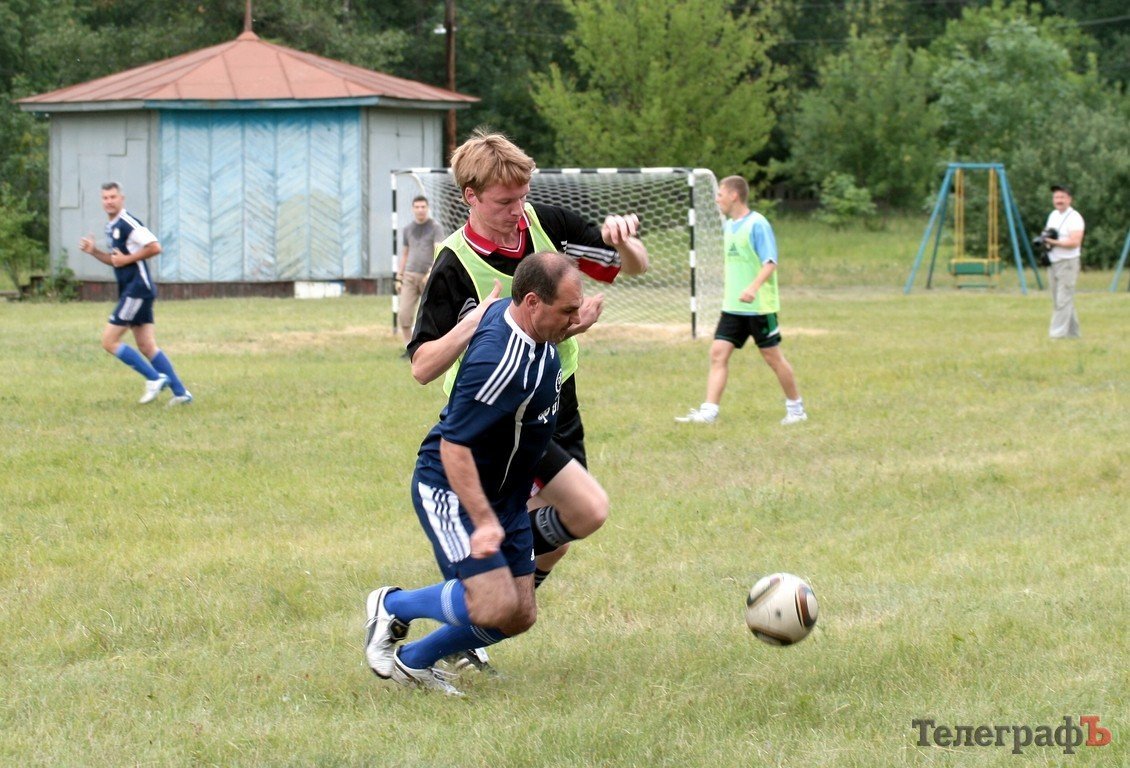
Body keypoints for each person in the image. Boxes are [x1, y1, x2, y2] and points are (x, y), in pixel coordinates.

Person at [405, 129, 648, 671]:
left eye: (522, 196)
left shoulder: (547, 226)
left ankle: (474, 614)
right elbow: (422, 366)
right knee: (574, 515)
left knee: (559, 537)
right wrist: (470, 328)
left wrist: (624, 239)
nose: (518, 210)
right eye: (504, 201)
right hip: (496, 419)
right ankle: (454, 611)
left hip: (554, 401)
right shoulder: (453, 265)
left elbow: (631, 266)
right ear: (470, 197)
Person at [365, 252, 583, 695]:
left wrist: (575, 321)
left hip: (505, 494)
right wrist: (483, 521)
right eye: (568, 311)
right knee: (490, 603)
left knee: (520, 613)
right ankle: (393, 605)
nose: (574, 319)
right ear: (533, 303)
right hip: (451, 489)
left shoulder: (532, 325)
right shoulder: (496, 362)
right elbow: (454, 446)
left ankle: (413, 661)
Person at [675, 175, 806, 425]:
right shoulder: (729, 226)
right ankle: (709, 411)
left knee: (772, 357)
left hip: (758, 307)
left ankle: (796, 409)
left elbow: (770, 262)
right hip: (733, 307)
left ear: (734, 195)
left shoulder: (758, 224)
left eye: (720, 194)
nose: (717, 199)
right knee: (717, 353)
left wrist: (753, 288)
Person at [78, 182, 192, 406]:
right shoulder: (111, 227)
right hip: (134, 290)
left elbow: (155, 246)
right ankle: (181, 393)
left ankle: (154, 378)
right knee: (147, 346)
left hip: (137, 289)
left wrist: (127, 259)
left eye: (113, 197)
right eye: (105, 198)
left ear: (122, 198)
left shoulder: (128, 222)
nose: (109, 201)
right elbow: (116, 260)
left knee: (109, 341)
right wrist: (94, 252)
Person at [396, 195, 445, 352]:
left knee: (430, 316)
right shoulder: (408, 229)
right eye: (417, 207)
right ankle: (408, 348)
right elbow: (405, 253)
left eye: (423, 207)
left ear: (427, 208)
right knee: (404, 315)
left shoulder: (435, 227)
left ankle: (431, 349)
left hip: (428, 277)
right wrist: (399, 276)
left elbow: (439, 251)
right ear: (412, 209)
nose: (420, 210)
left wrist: (431, 272)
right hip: (409, 276)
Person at [1044, 184, 1084, 339]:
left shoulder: (1075, 218)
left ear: (1069, 199)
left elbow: (1075, 242)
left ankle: (1056, 335)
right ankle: (1073, 334)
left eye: (1062, 197)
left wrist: (1054, 243)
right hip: (1053, 261)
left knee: (1063, 299)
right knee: (1059, 299)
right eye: (1056, 197)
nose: (1058, 200)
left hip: (1068, 263)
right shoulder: (1053, 215)